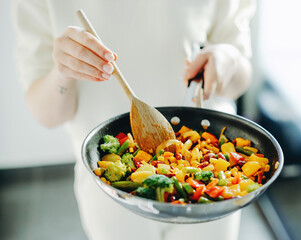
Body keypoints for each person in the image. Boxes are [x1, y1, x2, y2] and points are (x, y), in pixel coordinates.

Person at [13, 0, 256, 239]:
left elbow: (240, 79)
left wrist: (229, 59)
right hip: (108, 186)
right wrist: (62, 72)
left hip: (217, 181)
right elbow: (46, 115)